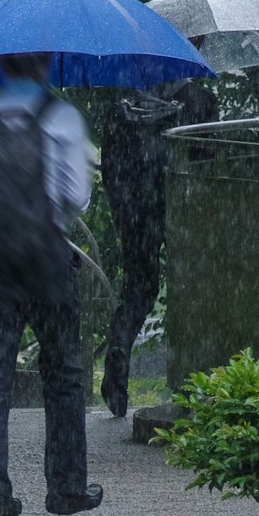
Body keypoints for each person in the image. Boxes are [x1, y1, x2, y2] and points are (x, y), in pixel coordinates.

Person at [0, 52, 100, 516]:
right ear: (45, 66)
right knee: (63, 377)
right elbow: (76, 195)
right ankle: (65, 487)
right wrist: (44, 223)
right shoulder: (62, 117)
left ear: (1, 66)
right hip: (45, 265)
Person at [96, 74, 214, 417]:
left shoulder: (125, 101)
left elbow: (110, 165)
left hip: (136, 210)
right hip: (183, 207)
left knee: (140, 288)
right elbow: (209, 159)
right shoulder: (200, 100)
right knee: (191, 289)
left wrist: (123, 210)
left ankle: (119, 345)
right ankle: (189, 384)